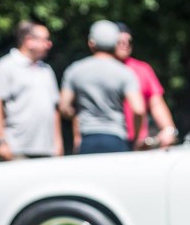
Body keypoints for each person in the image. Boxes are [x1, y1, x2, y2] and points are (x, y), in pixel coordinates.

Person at [59, 20, 144, 154]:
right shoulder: (125, 72)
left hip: (87, 139)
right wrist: (136, 138)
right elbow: (139, 110)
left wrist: (77, 114)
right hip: (116, 138)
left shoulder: (75, 70)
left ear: (91, 43)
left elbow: (64, 107)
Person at [0, 20, 63, 160]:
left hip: (46, 149)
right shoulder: (5, 66)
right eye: (45, 40)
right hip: (17, 149)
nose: (49, 44)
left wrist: (58, 142)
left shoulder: (46, 70)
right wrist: (1, 141)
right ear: (29, 41)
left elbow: (54, 109)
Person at [114, 23, 178, 148]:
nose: (125, 44)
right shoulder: (99, 69)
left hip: (138, 143)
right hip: (112, 139)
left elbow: (156, 103)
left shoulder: (142, 69)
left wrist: (168, 130)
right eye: (120, 41)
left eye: (128, 41)